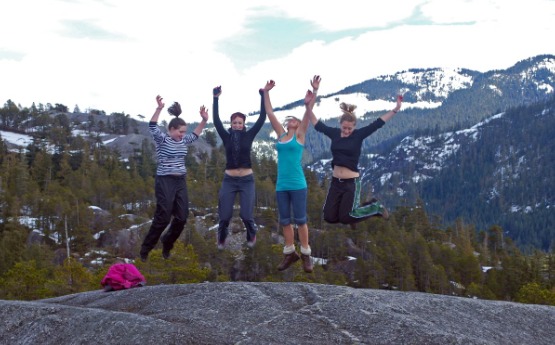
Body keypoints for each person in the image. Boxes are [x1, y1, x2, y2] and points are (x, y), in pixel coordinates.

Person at [306, 75, 403, 228]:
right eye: (344, 128)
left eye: (349, 129)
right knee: (329, 217)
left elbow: (378, 123)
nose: (346, 131)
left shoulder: (358, 135)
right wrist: (314, 92)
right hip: (335, 182)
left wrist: (395, 109)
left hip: (351, 183)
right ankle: (353, 215)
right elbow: (314, 121)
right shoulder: (334, 133)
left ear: (354, 127)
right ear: (340, 125)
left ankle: (374, 207)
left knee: (345, 218)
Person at [139, 95, 208, 261]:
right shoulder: (162, 139)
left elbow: (196, 134)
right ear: (171, 129)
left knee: (182, 217)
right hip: (165, 180)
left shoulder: (183, 141)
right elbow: (152, 126)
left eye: (184, 132)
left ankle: (167, 242)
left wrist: (204, 120)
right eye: (180, 131)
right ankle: (146, 248)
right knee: (163, 217)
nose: (183, 135)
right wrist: (159, 108)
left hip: (180, 181)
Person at [261, 79, 317, 273]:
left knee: (301, 220)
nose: (292, 120)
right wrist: (266, 92)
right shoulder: (281, 135)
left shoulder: (299, 135)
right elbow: (269, 112)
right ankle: (289, 253)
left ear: (299, 124)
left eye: (296, 119)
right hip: (282, 185)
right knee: (285, 220)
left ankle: (306, 254)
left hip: (298, 184)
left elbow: (308, 115)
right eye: (290, 119)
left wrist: (312, 97)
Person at [212, 85, 267, 249]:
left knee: (246, 215)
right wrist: (215, 98)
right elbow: (215, 120)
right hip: (229, 180)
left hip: (246, 180)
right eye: (234, 122)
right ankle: (221, 237)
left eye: (239, 122)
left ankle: (252, 234)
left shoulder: (249, 135)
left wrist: (262, 97)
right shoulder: (226, 136)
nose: (236, 125)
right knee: (225, 215)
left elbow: (262, 118)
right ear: (231, 123)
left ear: (243, 124)